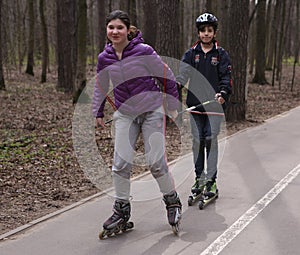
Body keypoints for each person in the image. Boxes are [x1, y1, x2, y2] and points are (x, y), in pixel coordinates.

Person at [93, 10, 182, 235]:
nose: (115, 32)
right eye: (111, 27)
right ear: (107, 30)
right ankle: (121, 209)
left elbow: (166, 76)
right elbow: (101, 84)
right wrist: (98, 112)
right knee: (120, 164)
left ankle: (172, 201)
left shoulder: (144, 51)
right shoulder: (105, 58)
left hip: (152, 111)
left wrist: (172, 105)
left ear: (127, 30)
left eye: (119, 28)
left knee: (155, 162)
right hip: (125, 113)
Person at [176, 13, 232, 200]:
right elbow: (182, 77)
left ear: (215, 32)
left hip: (214, 107)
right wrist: (173, 87)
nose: (206, 34)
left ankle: (211, 181)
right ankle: (199, 178)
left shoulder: (221, 54)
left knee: (210, 140)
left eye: (209, 30)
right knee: (197, 142)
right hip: (195, 107)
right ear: (198, 33)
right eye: (203, 31)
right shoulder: (191, 54)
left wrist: (223, 94)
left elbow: (226, 78)